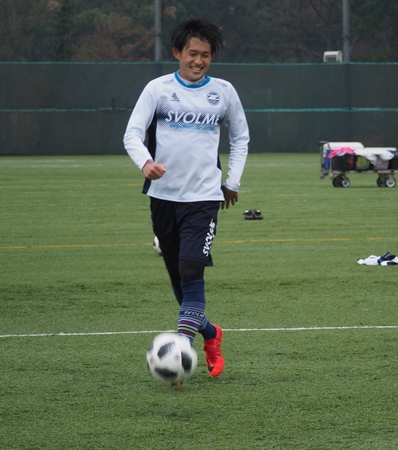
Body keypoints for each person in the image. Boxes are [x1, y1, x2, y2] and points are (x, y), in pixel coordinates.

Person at [123, 18, 249, 379]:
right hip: (163, 197)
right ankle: (210, 333)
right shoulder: (158, 89)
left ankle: (181, 346)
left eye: (205, 55)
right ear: (177, 52)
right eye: (192, 53)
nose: (198, 61)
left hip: (204, 198)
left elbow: (240, 137)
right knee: (179, 280)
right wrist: (145, 163)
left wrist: (231, 181)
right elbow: (132, 133)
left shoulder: (223, 92)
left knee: (192, 269)